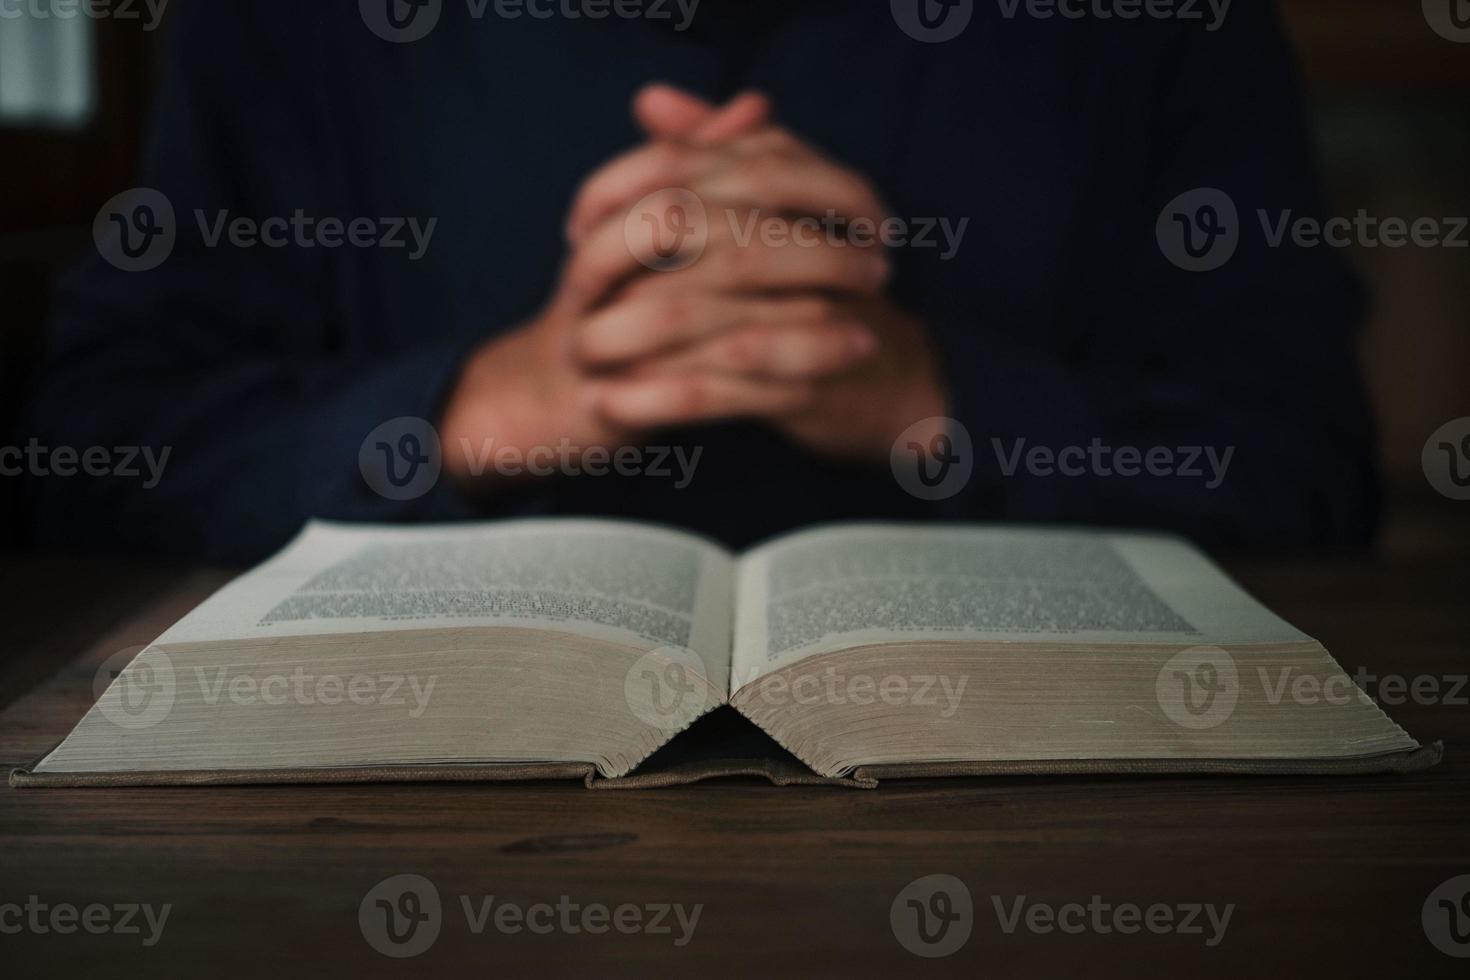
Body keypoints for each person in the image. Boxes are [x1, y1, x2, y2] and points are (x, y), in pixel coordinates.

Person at [25, 0, 1378, 562]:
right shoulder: (286, 23)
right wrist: (478, 409)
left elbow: (1311, 473)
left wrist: (937, 401)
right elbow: (82, 450)